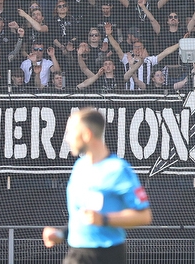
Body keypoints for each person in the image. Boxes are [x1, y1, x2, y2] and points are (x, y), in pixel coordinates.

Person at [42, 108, 152, 263]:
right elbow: (82, 215)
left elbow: (144, 216)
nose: (67, 138)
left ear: (87, 134)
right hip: (76, 254)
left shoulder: (118, 169)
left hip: (107, 255)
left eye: (71, 132)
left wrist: (105, 219)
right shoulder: (79, 167)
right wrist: (61, 234)